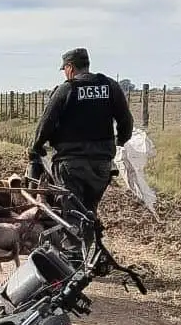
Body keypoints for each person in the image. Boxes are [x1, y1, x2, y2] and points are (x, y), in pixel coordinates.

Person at [29, 48, 134, 217]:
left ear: (70, 67)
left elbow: (45, 124)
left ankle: (74, 242)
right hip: (102, 164)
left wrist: (36, 147)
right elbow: (126, 121)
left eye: (65, 70)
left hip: (71, 164)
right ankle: (88, 237)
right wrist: (119, 141)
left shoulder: (66, 89)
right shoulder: (110, 86)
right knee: (89, 209)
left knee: (71, 214)